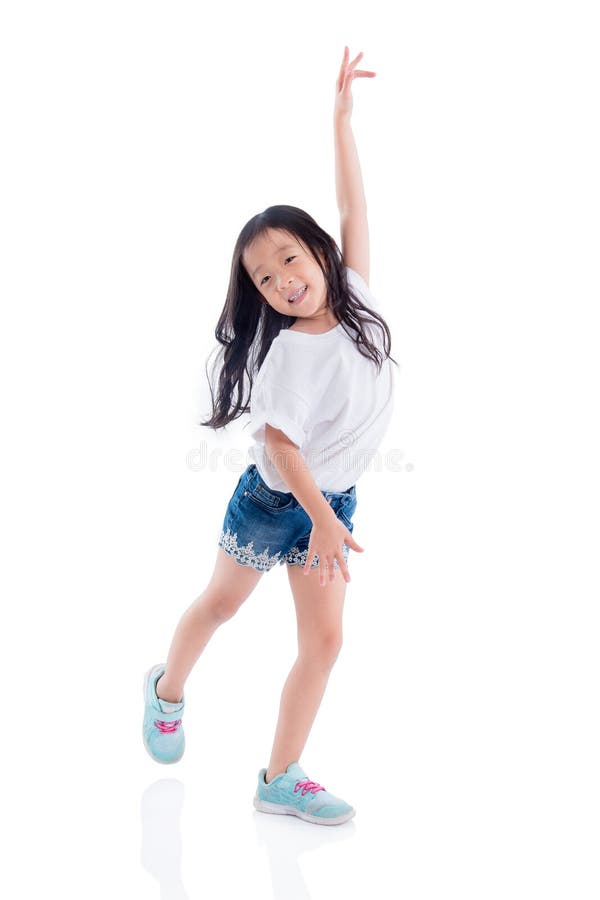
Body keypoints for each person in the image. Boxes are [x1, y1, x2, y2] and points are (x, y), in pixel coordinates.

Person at [142, 47, 399, 826]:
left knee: (325, 645)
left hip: (334, 505)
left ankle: (280, 776)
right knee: (221, 606)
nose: (281, 278)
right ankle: (165, 690)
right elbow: (283, 450)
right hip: (276, 505)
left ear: (318, 253)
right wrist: (321, 519)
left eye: (289, 257)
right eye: (262, 277)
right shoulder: (288, 353)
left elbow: (355, 211)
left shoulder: (352, 291)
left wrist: (341, 119)